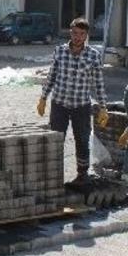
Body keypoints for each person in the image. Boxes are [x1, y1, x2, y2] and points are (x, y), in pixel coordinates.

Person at [37, 18, 108, 183]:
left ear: (86, 35)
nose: (78, 37)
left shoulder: (93, 55)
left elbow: (98, 83)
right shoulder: (60, 51)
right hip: (59, 104)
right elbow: (52, 75)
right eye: (75, 33)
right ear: (71, 32)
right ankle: (54, 174)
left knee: (82, 140)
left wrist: (103, 106)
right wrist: (43, 97)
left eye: (82, 34)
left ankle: (82, 175)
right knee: (56, 139)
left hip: (81, 106)